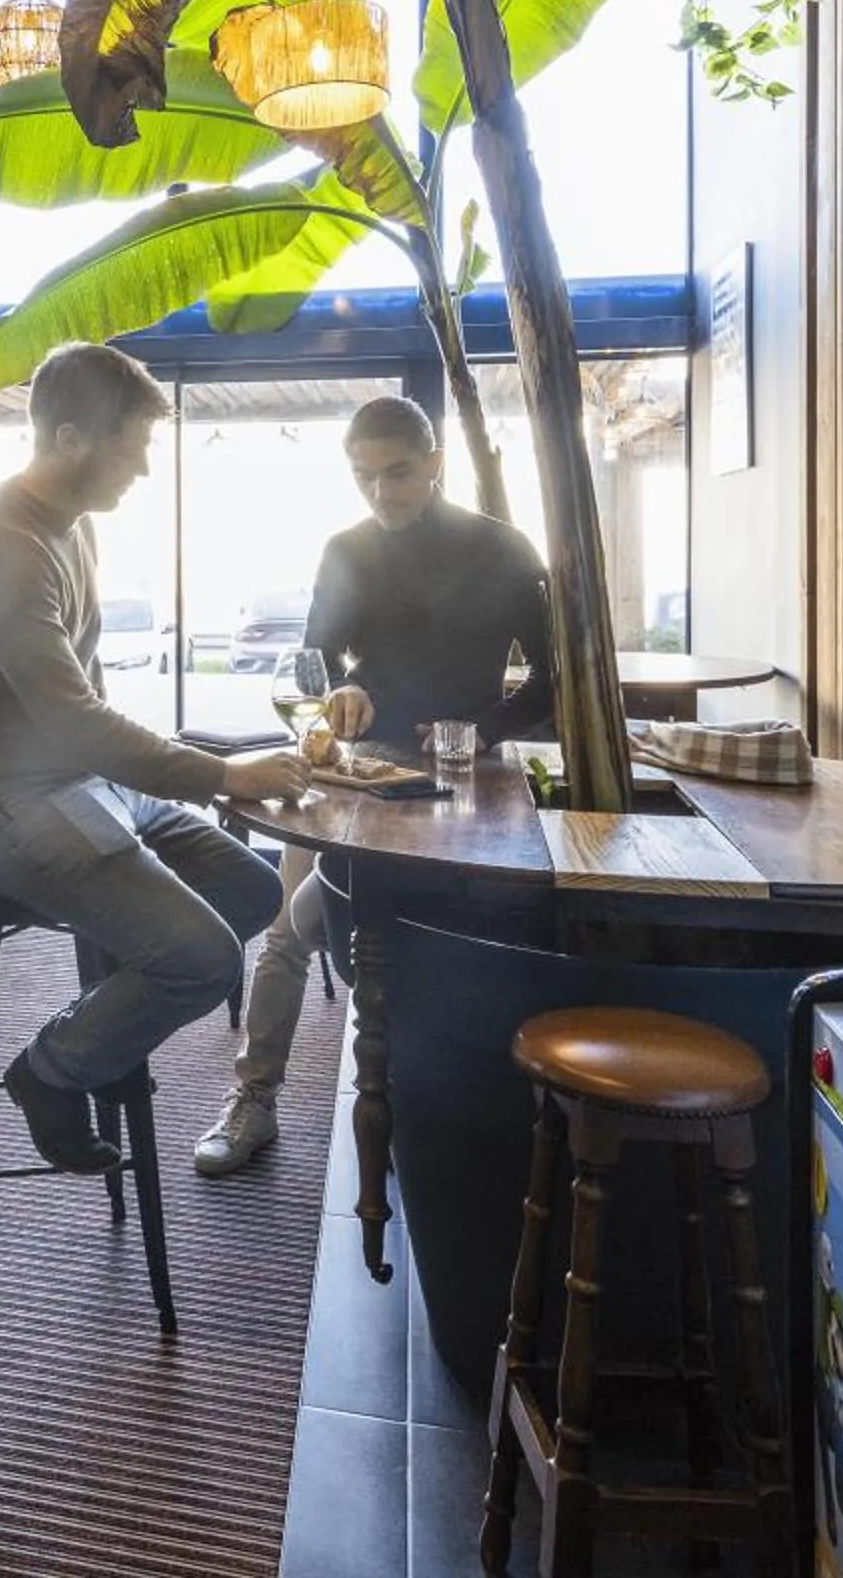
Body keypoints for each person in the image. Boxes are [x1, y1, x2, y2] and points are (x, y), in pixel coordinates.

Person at [0, 342, 313, 1174]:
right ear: (71, 439)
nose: (143, 468)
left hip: (79, 785)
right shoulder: (5, 544)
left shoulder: (73, 531)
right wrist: (220, 776)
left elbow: (88, 706)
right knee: (205, 960)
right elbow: (70, 720)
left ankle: (96, 1027)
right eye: (133, 446)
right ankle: (51, 1071)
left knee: (249, 889)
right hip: (0, 805)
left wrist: (181, 775)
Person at [195, 394, 558, 1175]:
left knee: (434, 937)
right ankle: (254, 1098)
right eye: (364, 477)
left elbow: (549, 684)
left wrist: (481, 731)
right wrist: (336, 698)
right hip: (358, 764)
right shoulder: (346, 549)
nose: (381, 493)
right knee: (291, 928)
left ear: (435, 466)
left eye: (398, 474)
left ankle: (426, 1100)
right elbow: (311, 665)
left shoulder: (503, 549)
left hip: (464, 772)